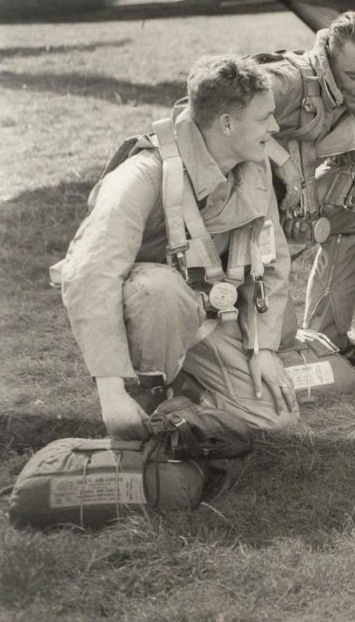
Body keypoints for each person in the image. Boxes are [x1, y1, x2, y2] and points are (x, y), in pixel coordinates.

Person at [59, 55, 299, 438]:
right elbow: (90, 273)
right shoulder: (143, 175)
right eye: (263, 118)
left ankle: (184, 399)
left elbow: (270, 260)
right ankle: (144, 392)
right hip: (149, 308)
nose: (274, 127)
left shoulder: (254, 164)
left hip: (208, 309)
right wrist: (109, 389)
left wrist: (263, 348)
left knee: (274, 418)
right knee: (159, 290)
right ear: (226, 123)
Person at [259, 11, 355, 366]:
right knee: (279, 347)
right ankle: (274, 346)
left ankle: (326, 338)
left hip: (291, 200)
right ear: (330, 59)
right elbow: (203, 113)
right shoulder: (285, 81)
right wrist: (281, 164)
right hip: (248, 211)